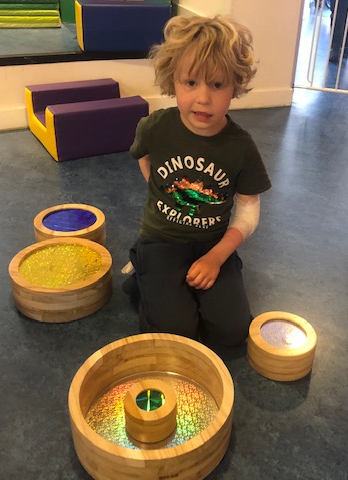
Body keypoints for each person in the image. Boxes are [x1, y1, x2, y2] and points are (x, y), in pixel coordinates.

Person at [125, 15, 272, 347]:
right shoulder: (154, 127)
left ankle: (161, 282)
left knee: (233, 332)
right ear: (173, 80)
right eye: (190, 83)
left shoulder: (241, 147)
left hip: (212, 243)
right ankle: (143, 271)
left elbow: (248, 211)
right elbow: (144, 156)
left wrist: (217, 257)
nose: (203, 98)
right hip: (161, 240)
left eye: (217, 85)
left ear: (235, 86)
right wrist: (159, 191)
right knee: (175, 335)